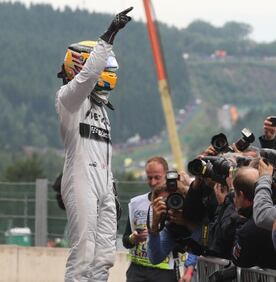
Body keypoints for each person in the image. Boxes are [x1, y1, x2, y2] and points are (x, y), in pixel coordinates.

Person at [55, 7, 133, 282]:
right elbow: (87, 78)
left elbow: (103, 155)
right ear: (82, 64)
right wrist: (107, 37)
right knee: (84, 253)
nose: (108, 71)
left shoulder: (101, 108)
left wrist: (111, 189)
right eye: (104, 65)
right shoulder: (69, 99)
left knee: (104, 258)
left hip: (102, 183)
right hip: (81, 179)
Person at [122, 156, 181, 282]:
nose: (153, 182)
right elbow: (126, 240)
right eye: (149, 177)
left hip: (165, 271)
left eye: (157, 177)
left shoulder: (176, 203)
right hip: (137, 272)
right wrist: (134, 238)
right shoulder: (135, 203)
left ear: (166, 176)